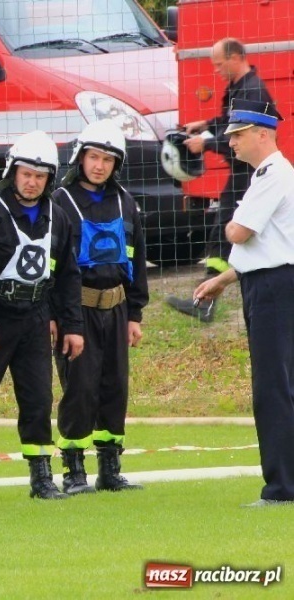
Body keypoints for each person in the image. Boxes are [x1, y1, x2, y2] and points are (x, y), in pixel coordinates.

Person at [0, 130, 84, 500]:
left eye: (40, 175)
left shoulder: (59, 217)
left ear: (50, 178)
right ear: (12, 171)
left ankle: (41, 478)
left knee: (37, 398)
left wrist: (72, 325)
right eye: (26, 174)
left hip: (35, 316)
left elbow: (67, 275)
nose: (32, 182)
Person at [193, 98, 294, 507]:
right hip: (270, 281)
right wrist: (224, 278)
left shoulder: (273, 174)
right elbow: (272, 244)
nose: (230, 143)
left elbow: (240, 232)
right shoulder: (269, 175)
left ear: (261, 134)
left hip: (272, 288)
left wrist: (235, 224)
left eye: (237, 135)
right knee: (281, 385)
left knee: (272, 388)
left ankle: (281, 488)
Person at [52, 120, 149, 493]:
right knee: (80, 388)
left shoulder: (124, 201)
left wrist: (135, 314)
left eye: (108, 159)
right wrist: (56, 317)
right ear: (80, 157)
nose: (100, 165)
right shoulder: (60, 201)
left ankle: (110, 468)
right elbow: (53, 265)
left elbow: (137, 258)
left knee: (114, 388)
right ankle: (74, 471)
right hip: (77, 311)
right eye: (94, 156)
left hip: (118, 308)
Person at [166, 38, 273, 322]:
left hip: (249, 174)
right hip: (243, 173)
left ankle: (206, 303)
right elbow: (230, 122)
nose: (215, 70)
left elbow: (241, 138)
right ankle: (206, 301)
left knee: (229, 233)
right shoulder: (240, 87)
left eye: (219, 64)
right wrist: (206, 126)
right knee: (223, 232)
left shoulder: (251, 90)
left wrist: (206, 143)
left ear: (236, 57)